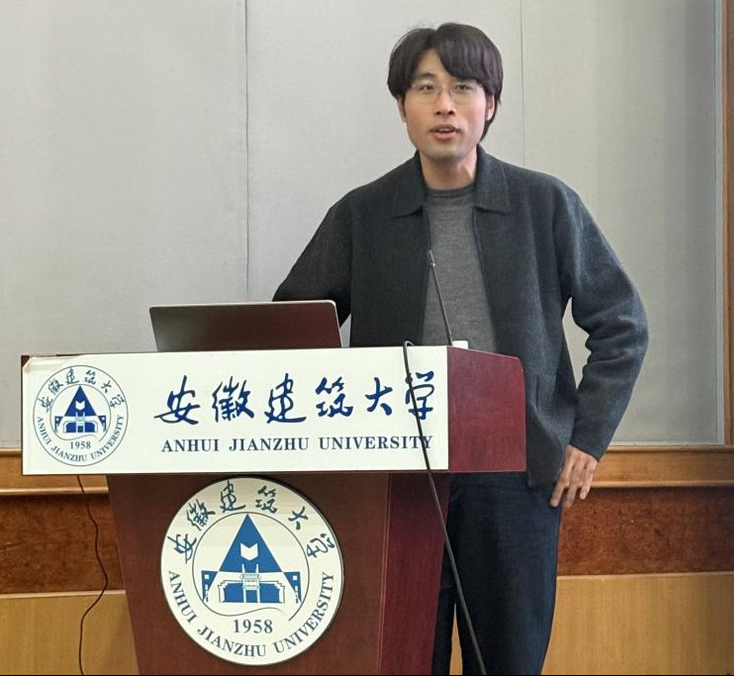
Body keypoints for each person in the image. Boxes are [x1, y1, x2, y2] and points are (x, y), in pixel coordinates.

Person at [274, 22, 648, 675]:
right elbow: (293, 327)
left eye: (463, 88)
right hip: (396, 481)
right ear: (401, 106)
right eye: (425, 89)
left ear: (490, 103)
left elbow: (622, 323)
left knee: (508, 660)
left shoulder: (544, 204)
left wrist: (586, 440)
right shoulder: (363, 215)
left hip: (514, 480)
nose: (444, 105)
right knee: (399, 659)